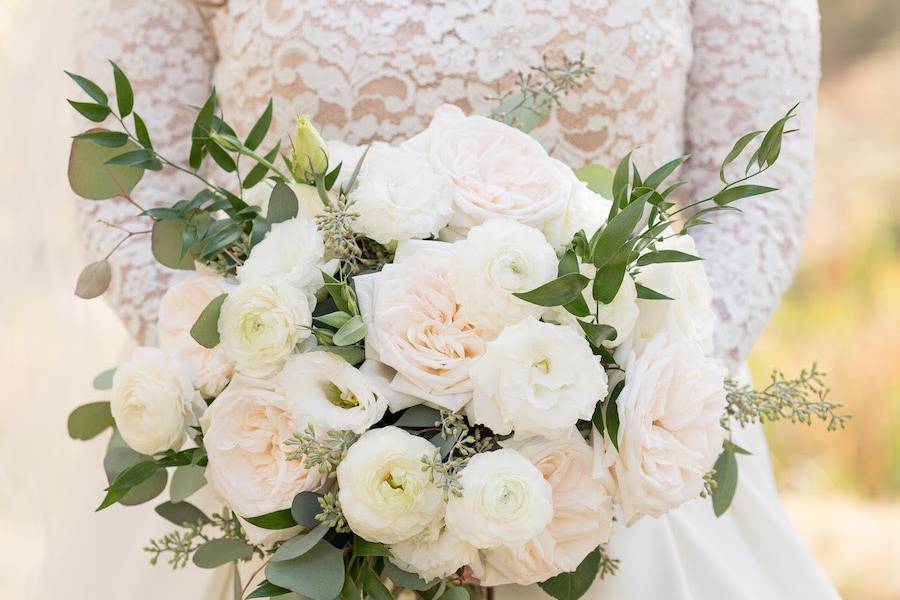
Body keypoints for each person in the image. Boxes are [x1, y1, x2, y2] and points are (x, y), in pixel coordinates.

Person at [58, 1, 838, 598]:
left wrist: (617, 399)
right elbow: (131, 181)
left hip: (617, 470)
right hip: (272, 467)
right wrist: (273, 405)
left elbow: (754, 186)